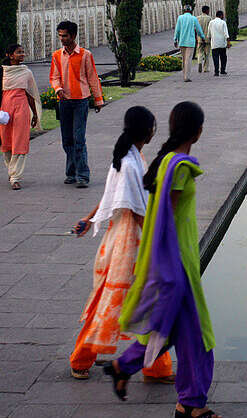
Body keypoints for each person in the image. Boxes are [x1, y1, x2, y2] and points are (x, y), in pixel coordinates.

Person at [104, 102, 220, 417]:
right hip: (178, 264)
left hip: (176, 262)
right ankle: (192, 403)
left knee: (172, 331)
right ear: (197, 131)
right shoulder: (180, 166)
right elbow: (165, 217)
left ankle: (124, 367)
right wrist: (168, 269)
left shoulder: (165, 160)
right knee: (198, 337)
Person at [69, 106, 174, 384]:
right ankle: (81, 357)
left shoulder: (131, 157)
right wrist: (159, 239)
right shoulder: (128, 163)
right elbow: (133, 207)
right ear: (149, 132)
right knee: (114, 302)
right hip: (130, 241)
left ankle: (156, 367)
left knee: (147, 302)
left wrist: (90, 218)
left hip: (130, 237)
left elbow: (111, 197)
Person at [51, 21, 105, 189]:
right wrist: (58, 89)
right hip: (64, 101)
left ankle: (82, 175)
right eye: (60, 35)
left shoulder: (85, 54)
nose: (61, 39)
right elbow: (54, 77)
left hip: (81, 100)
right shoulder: (57, 55)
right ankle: (71, 173)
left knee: (78, 139)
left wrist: (98, 99)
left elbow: (93, 78)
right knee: (67, 139)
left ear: (73, 36)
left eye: (64, 35)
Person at [0, 43, 41, 190]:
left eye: (23, 52)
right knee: (6, 143)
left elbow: (30, 94)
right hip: (5, 111)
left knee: (20, 141)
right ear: (10, 55)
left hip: (22, 109)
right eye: (19, 52)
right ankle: (11, 169)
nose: (22, 54)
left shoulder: (26, 72)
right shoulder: (1, 72)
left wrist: (35, 113)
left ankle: (15, 176)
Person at [173, 5, 205, 83]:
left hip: (182, 41)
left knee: (184, 59)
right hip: (190, 42)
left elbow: (177, 29)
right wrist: (202, 37)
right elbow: (198, 29)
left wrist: (175, 39)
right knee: (188, 59)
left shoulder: (180, 18)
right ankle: (186, 77)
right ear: (190, 11)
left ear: (184, 10)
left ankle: (184, 75)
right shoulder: (193, 18)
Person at [208, 10, 230, 76]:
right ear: (221, 15)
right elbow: (226, 33)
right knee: (223, 57)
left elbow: (209, 33)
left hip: (214, 43)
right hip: (222, 43)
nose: (223, 16)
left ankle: (216, 71)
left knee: (215, 58)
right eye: (223, 15)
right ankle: (222, 70)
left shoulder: (211, 22)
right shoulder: (223, 22)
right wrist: (228, 42)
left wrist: (211, 40)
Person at [195, 6, 212, 75]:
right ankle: (205, 68)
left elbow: (195, 29)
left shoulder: (197, 18)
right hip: (207, 38)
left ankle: (199, 62)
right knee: (207, 54)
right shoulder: (210, 18)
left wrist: (196, 38)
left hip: (199, 39)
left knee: (200, 52)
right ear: (207, 11)